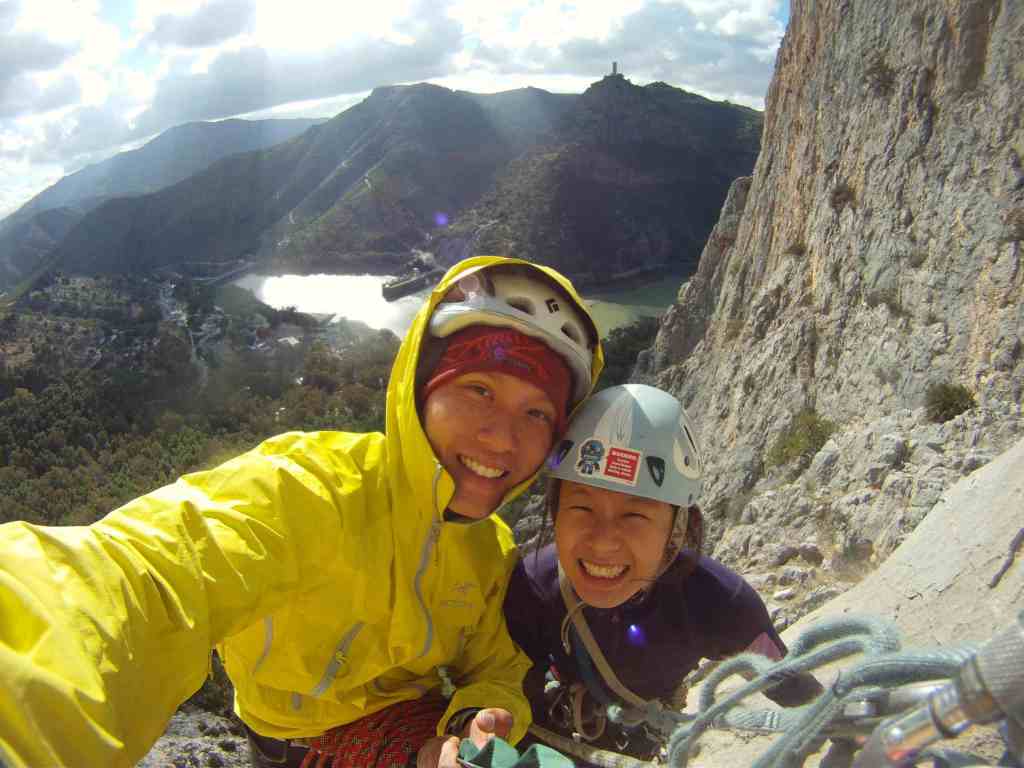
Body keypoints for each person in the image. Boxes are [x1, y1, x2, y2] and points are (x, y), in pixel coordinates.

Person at [0, 255, 603, 768]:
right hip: (293, 738)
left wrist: (479, 714)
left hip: (417, 723)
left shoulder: (488, 549)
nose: (503, 439)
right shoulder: (301, 491)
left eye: (537, 414)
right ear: (419, 390)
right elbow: (145, 574)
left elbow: (497, 661)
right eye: (479, 390)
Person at [504, 384, 823, 764]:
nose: (603, 542)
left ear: (677, 527)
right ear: (555, 511)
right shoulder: (533, 589)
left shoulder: (717, 604)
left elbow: (791, 687)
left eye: (635, 515)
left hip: (642, 743)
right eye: (581, 508)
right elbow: (504, 689)